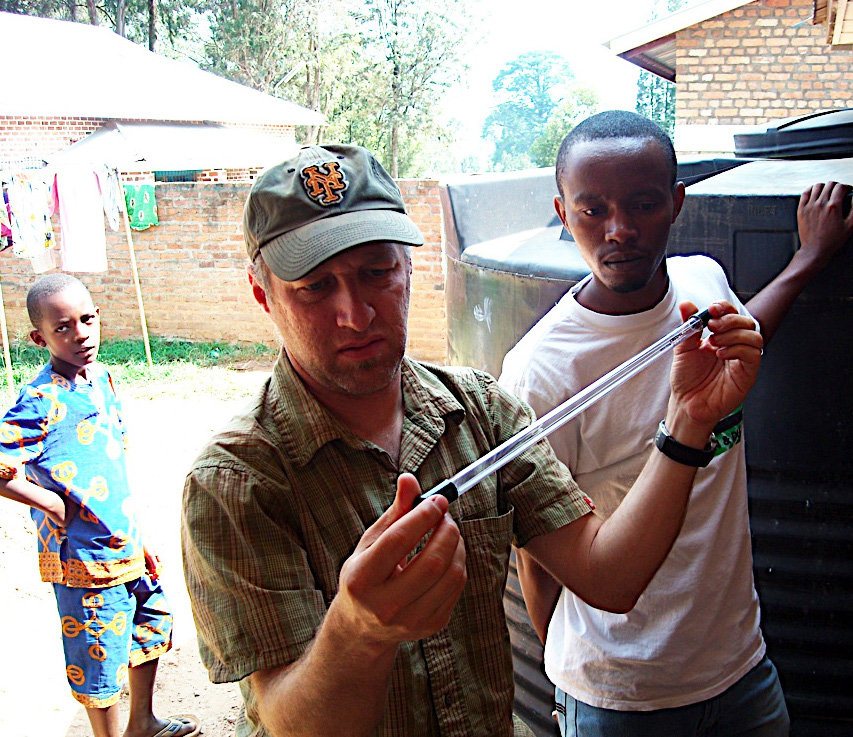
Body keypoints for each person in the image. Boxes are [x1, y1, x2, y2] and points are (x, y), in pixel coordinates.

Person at [180, 143, 763, 737]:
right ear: (262, 293)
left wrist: (688, 422)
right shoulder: (237, 483)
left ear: (409, 268)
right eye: (313, 287)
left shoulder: (479, 413)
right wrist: (358, 632)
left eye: (376, 273)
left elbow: (609, 577)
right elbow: (286, 723)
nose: (354, 314)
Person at [499, 110, 853, 737]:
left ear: (676, 202)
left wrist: (808, 260)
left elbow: (744, 335)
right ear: (561, 212)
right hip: (622, 697)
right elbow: (538, 554)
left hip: (740, 665)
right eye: (592, 210)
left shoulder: (700, 279)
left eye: (641, 205)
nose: (619, 230)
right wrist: (576, 672)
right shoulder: (543, 371)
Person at [0, 273, 199, 737]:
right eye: (63, 327)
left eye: (87, 319)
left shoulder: (102, 379)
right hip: (82, 556)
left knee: (149, 625)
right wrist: (49, 501)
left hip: (122, 538)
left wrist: (139, 535)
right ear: (39, 338)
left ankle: (143, 722)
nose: (81, 334)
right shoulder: (41, 398)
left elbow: (112, 468)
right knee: (97, 651)